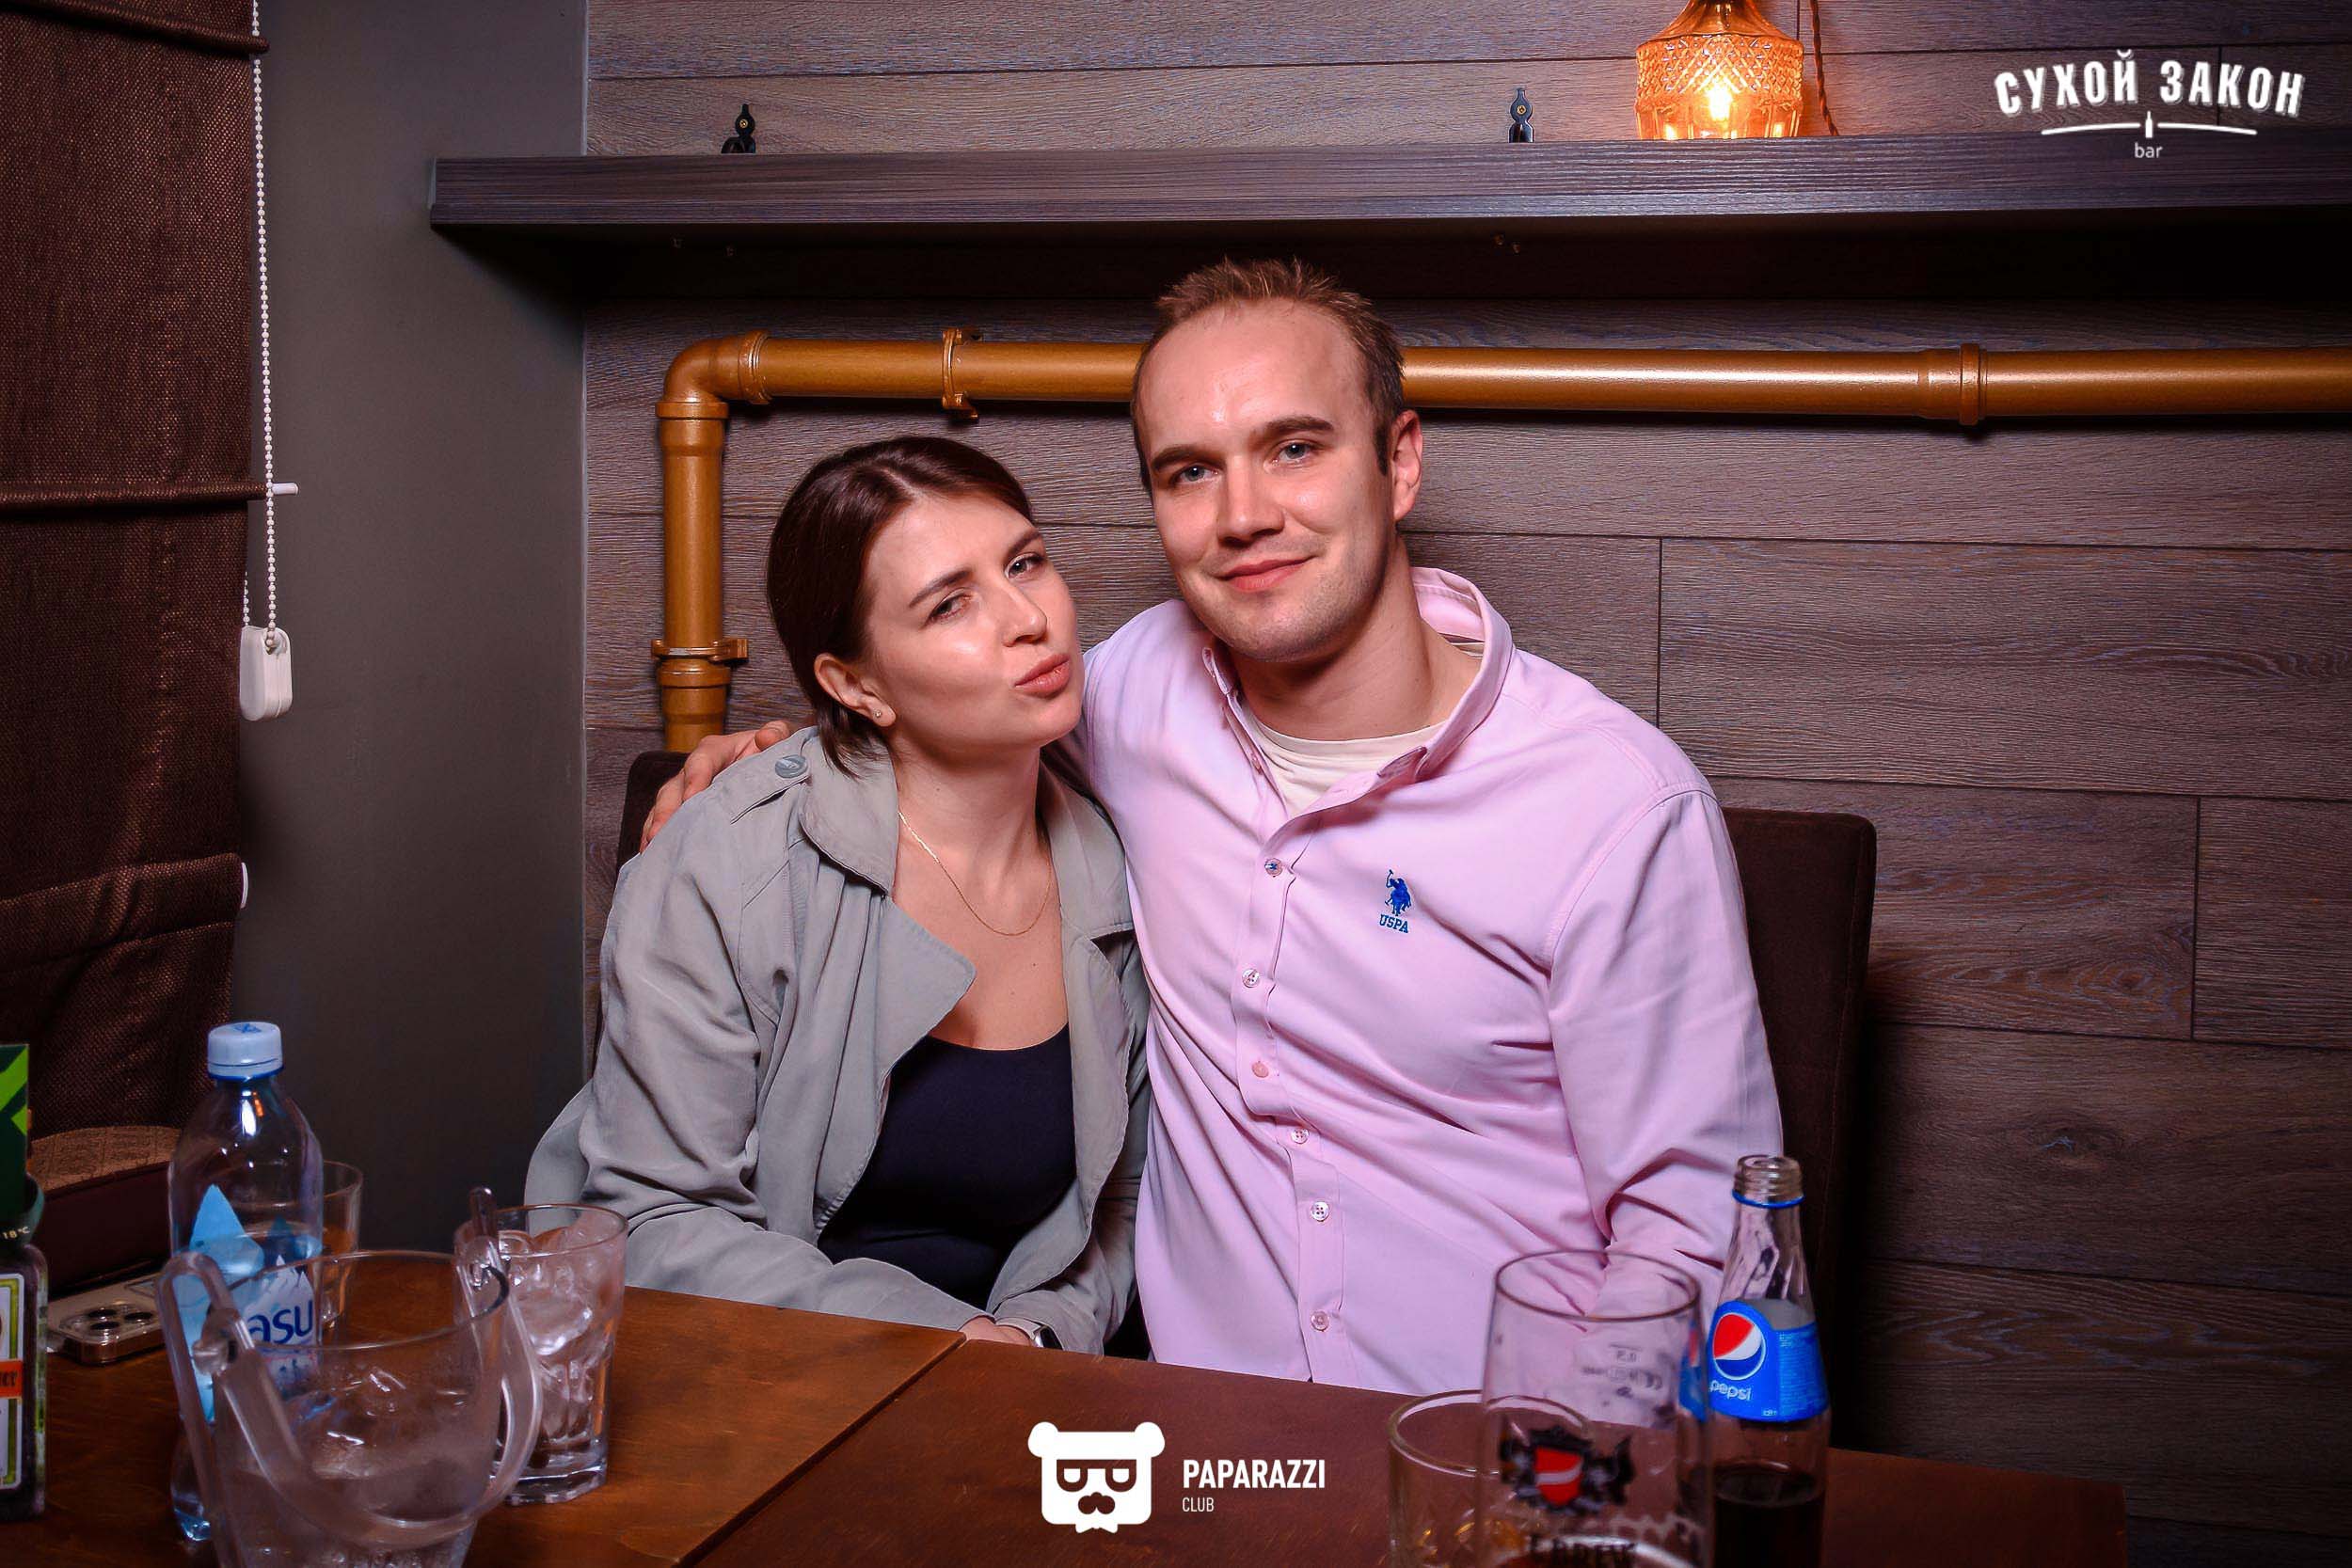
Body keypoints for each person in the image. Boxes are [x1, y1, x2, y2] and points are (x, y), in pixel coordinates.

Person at [642, 260, 1781, 1393]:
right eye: (1190, 470)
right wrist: (763, 765)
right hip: (1196, 1435)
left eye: (1295, 448)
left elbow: (1699, 1239)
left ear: (1398, 461)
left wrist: (1553, 1470)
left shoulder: (1611, 804)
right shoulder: (1127, 697)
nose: (1243, 516)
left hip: (1490, 1440)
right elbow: (942, 718)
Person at [529, 437, 1148, 1354]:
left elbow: (1120, 1203)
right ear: (855, 683)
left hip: (1017, 1382)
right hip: (766, 1374)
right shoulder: (731, 857)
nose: (1029, 618)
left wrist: (1035, 1341)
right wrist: (951, 1341)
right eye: (949, 603)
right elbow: (654, 1219)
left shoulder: (1123, 859)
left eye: (1024, 562)